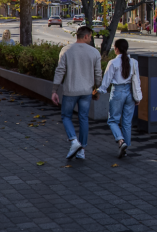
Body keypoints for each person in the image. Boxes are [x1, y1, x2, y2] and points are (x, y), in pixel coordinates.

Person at [52, 26, 103, 161]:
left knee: (66, 116)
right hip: (86, 91)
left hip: (70, 90)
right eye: (91, 36)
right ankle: (82, 150)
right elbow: (98, 74)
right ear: (86, 36)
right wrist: (97, 89)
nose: (91, 39)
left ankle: (74, 141)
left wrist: (54, 90)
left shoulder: (66, 50)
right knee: (83, 118)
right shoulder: (94, 52)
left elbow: (60, 71)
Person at [97, 38, 141, 158]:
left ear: (116, 49)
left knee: (112, 120)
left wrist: (99, 91)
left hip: (117, 92)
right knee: (127, 122)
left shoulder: (113, 63)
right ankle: (125, 147)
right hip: (130, 92)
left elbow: (106, 82)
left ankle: (121, 141)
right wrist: (138, 97)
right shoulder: (134, 62)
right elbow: (137, 81)